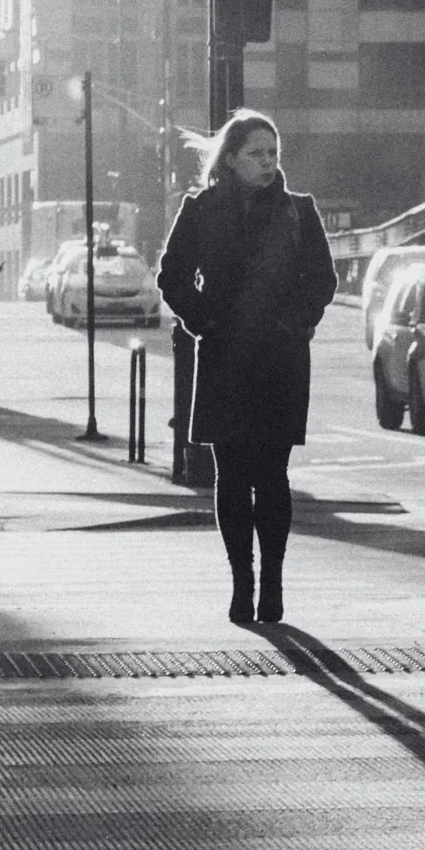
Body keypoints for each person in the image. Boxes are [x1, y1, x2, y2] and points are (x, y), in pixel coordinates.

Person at [157, 110, 337, 627]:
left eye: (273, 153)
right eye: (256, 153)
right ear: (231, 159)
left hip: (280, 361)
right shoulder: (201, 209)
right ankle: (242, 584)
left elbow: (321, 280)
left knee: (272, 476)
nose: (266, 162)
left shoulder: (299, 211)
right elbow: (171, 274)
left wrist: (297, 321)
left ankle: (273, 585)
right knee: (231, 479)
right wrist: (201, 318)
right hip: (223, 357)